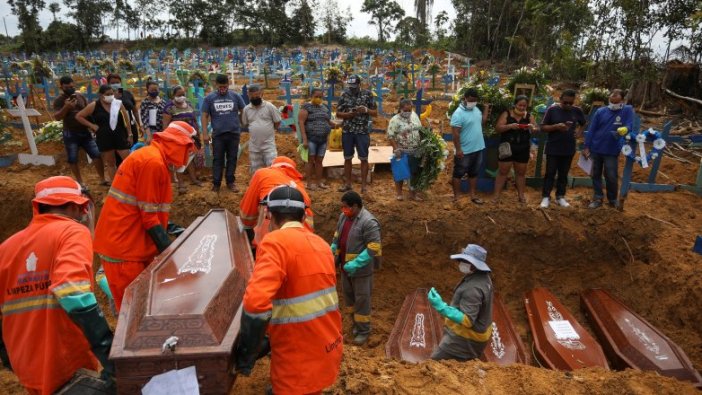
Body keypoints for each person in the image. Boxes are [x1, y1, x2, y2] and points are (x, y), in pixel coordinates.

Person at [0, 176, 115, 394]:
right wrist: (107, 350)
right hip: (66, 361)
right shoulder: (71, 232)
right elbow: (71, 290)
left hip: (27, 365)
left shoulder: (6, 247)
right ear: (74, 206)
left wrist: (6, 353)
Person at [235, 185, 343, 395]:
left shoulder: (275, 243)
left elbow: (256, 304)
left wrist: (246, 355)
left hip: (297, 356)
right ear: (303, 216)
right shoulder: (321, 245)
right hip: (328, 346)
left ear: (269, 215)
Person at [93, 122, 196, 311]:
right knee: (134, 313)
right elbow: (149, 217)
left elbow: (147, 209)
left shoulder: (151, 158)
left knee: (140, 307)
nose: (188, 157)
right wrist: (171, 256)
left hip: (129, 243)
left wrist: (170, 227)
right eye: (189, 151)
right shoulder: (152, 163)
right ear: (177, 144)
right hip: (125, 249)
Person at [330, 191, 381, 345]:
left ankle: (364, 331)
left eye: (346, 207)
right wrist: (333, 246)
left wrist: (356, 263)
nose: (343, 210)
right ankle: (356, 325)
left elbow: (373, 247)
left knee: (362, 300)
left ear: (356, 206)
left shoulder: (369, 222)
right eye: (342, 207)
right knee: (350, 300)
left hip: (361, 271)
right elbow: (338, 235)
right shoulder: (343, 217)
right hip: (345, 269)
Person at [429, 243, 493, 362]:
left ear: (474, 265)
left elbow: (467, 320)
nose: (461, 263)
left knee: (434, 365)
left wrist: (441, 306)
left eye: (465, 261)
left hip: (465, 339)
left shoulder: (473, 289)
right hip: (478, 336)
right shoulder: (484, 278)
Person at [239, 156, 315, 244]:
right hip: (305, 240)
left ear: (273, 166)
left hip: (271, 240)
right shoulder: (300, 186)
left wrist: (248, 230)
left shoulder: (263, 174)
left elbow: (247, 214)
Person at [584, 89, 633, 209]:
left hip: (611, 150)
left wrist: (625, 129)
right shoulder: (601, 111)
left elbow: (629, 124)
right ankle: (598, 197)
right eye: (612, 94)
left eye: (616, 94)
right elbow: (592, 130)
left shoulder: (626, 110)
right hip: (596, 148)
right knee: (595, 174)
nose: (613, 96)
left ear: (622, 98)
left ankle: (612, 199)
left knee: (611, 175)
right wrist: (586, 146)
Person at [53, 76, 106, 186]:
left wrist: (92, 126)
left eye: (72, 86)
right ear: (61, 87)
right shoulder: (59, 100)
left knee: (96, 155)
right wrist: (66, 107)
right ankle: (80, 182)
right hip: (70, 133)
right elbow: (57, 117)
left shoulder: (80, 96)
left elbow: (88, 111)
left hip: (84, 131)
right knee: (73, 158)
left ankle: (102, 179)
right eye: (67, 87)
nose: (70, 89)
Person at [75, 84, 132, 184]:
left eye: (111, 93)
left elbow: (126, 120)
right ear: (101, 95)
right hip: (104, 138)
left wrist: (129, 134)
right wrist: (92, 125)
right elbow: (79, 116)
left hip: (120, 135)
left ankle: (131, 182)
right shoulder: (94, 105)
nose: (110, 96)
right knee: (111, 163)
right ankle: (116, 186)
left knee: (128, 161)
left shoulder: (118, 104)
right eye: (107, 94)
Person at [539, 89, 587, 209]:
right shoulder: (552, 110)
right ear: (560, 99)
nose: (568, 105)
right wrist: (555, 126)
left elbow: (583, 123)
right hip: (553, 147)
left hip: (568, 147)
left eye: (571, 103)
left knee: (563, 174)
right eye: (565, 102)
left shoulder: (577, 111)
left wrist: (579, 132)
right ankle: (546, 196)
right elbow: (543, 127)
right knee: (550, 173)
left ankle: (560, 196)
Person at [201, 74, 246, 192]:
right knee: (217, 159)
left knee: (232, 158)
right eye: (220, 87)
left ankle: (230, 182)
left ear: (228, 84)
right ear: (216, 85)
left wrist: (243, 123)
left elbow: (243, 111)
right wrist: (205, 133)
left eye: (225, 86)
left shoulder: (235, 96)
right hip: (218, 135)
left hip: (234, 133)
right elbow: (204, 115)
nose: (222, 89)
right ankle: (216, 183)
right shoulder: (209, 98)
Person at [336, 75, 377, 193]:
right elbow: (338, 113)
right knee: (347, 158)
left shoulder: (368, 94)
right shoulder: (344, 95)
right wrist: (347, 115)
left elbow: (375, 113)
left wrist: (366, 110)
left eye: (354, 87)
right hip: (348, 130)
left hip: (362, 131)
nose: (352, 89)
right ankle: (347, 184)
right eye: (350, 87)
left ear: (359, 84)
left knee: (364, 158)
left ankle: (364, 186)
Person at [492, 95, 537, 203]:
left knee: (521, 173)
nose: (522, 107)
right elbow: (498, 128)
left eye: (524, 106)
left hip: (523, 147)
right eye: (520, 105)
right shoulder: (506, 114)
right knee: (503, 172)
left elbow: (536, 129)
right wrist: (510, 126)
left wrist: (532, 127)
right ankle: (496, 196)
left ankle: (521, 196)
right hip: (507, 147)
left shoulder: (529, 116)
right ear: (515, 104)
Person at [450, 88, 490, 204]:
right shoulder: (458, 114)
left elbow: (481, 122)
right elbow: (455, 134)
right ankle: (456, 197)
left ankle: (473, 195)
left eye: (475, 100)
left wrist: (486, 109)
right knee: (458, 173)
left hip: (478, 148)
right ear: (465, 98)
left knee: (474, 173)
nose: (473, 102)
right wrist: (458, 149)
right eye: (471, 100)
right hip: (464, 150)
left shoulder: (476, 109)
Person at [163, 85, 204, 193]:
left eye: (183, 94)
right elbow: (166, 125)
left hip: (190, 137)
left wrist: (198, 133)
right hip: (177, 138)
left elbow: (194, 119)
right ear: (173, 95)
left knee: (189, 159)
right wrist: (169, 138)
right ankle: (181, 184)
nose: (181, 97)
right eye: (179, 95)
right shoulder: (169, 108)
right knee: (178, 161)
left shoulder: (189, 104)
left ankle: (193, 179)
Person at [387, 98, 423, 201]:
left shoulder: (415, 116)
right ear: (400, 109)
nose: (407, 112)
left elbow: (420, 130)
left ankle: (413, 194)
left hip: (415, 150)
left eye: (409, 110)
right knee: (400, 173)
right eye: (405, 110)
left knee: (414, 172)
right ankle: (399, 193)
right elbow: (390, 136)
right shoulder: (395, 120)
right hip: (401, 151)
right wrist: (396, 149)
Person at [300, 87, 335, 190]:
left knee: (319, 160)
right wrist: (305, 139)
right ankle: (309, 183)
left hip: (323, 139)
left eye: (320, 97)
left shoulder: (324, 108)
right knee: (310, 161)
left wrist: (338, 125)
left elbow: (328, 121)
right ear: (311, 96)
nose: (318, 98)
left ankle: (319, 182)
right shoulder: (306, 107)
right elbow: (301, 122)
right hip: (311, 138)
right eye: (316, 96)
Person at [242, 84, 281, 173]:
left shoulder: (269, 106)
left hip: (269, 145)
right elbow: (246, 123)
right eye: (252, 96)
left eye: (257, 96)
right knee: (257, 172)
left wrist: (270, 130)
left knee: (273, 169)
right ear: (248, 96)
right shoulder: (246, 110)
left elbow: (277, 121)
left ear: (262, 94)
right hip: (254, 147)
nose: (255, 98)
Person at [107, 73, 141, 143]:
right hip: (117, 126)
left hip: (131, 124)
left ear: (121, 83)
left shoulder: (127, 94)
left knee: (133, 145)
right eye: (112, 83)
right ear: (108, 84)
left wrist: (140, 125)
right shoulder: (107, 96)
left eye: (117, 82)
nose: (115, 84)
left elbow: (135, 111)